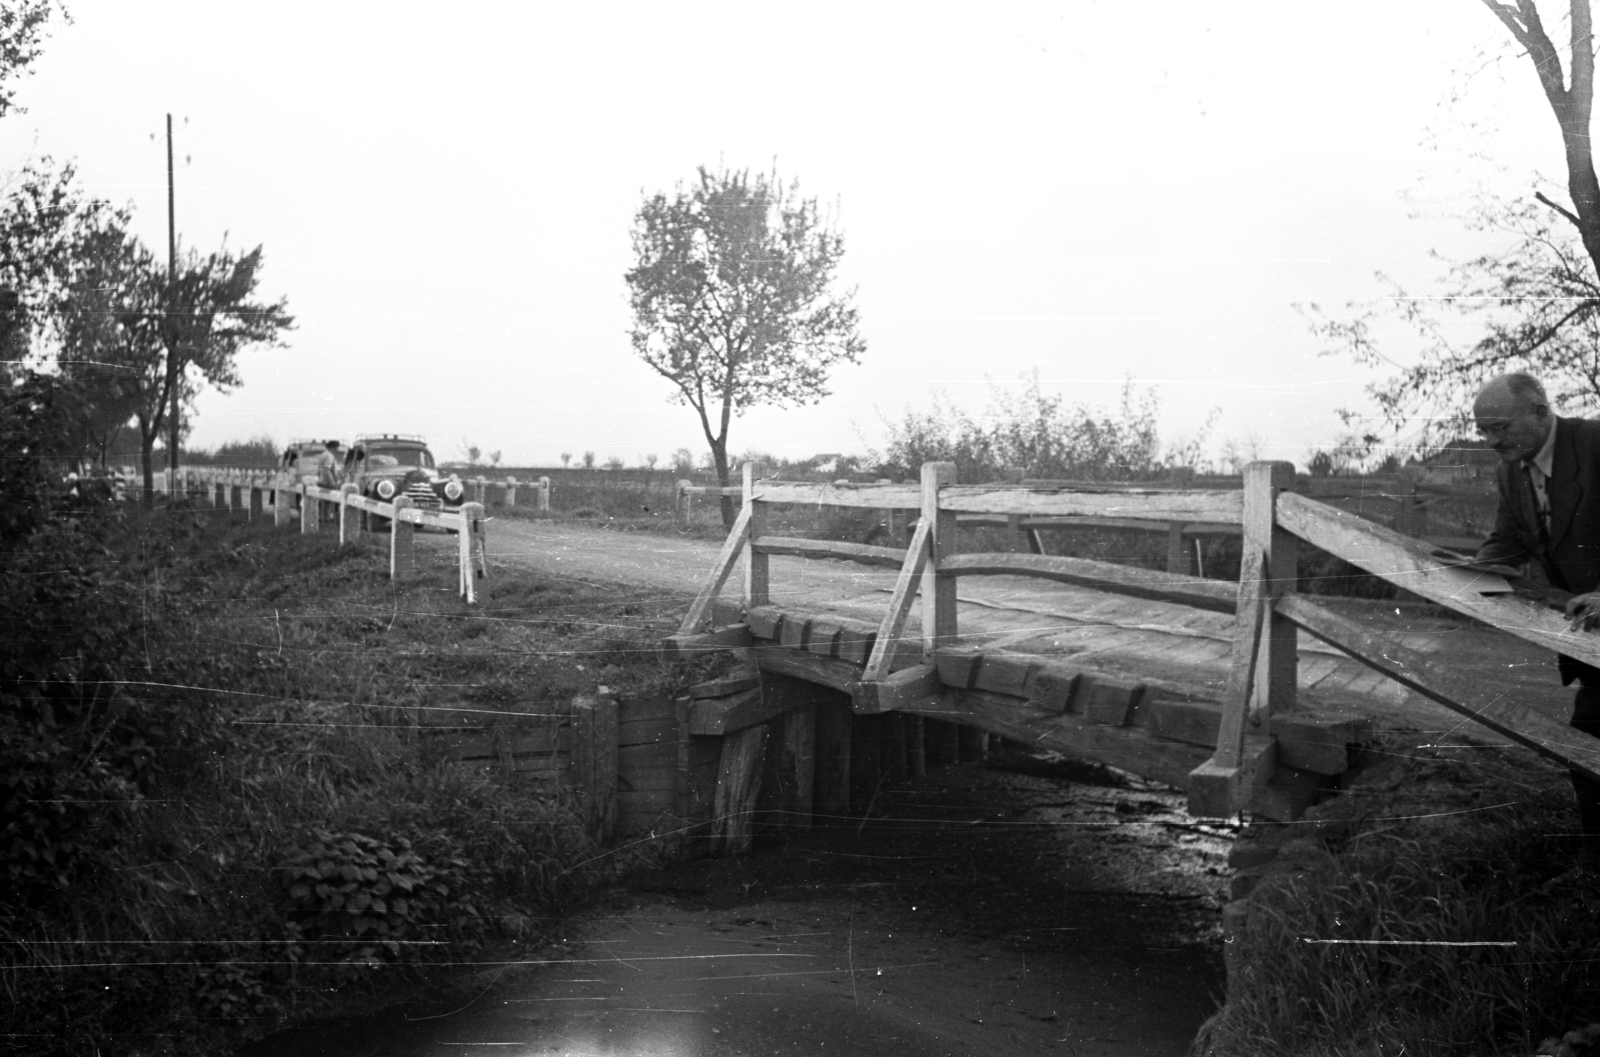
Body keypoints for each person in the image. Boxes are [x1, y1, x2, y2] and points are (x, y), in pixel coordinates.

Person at [1473, 371, 1600, 871]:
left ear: (1541, 413)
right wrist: (1467, 576)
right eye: (1483, 431)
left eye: (1499, 427)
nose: (1489, 441)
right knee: (1586, 746)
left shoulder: (1594, 445)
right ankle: (1594, 869)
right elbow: (1509, 541)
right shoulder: (1512, 471)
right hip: (1591, 646)